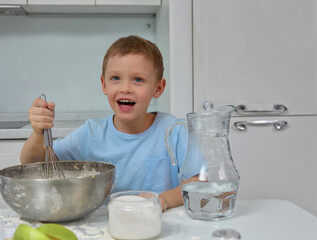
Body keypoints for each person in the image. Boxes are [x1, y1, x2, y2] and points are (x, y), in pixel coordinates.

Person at [20, 35, 191, 211]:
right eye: (116, 78)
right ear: (104, 84)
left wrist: (164, 200)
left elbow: (199, 182)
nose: (125, 88)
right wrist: (38, 133)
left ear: (158, 88)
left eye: (138, 79)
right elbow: (32, 164)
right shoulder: (91, 134)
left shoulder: (173, 131)